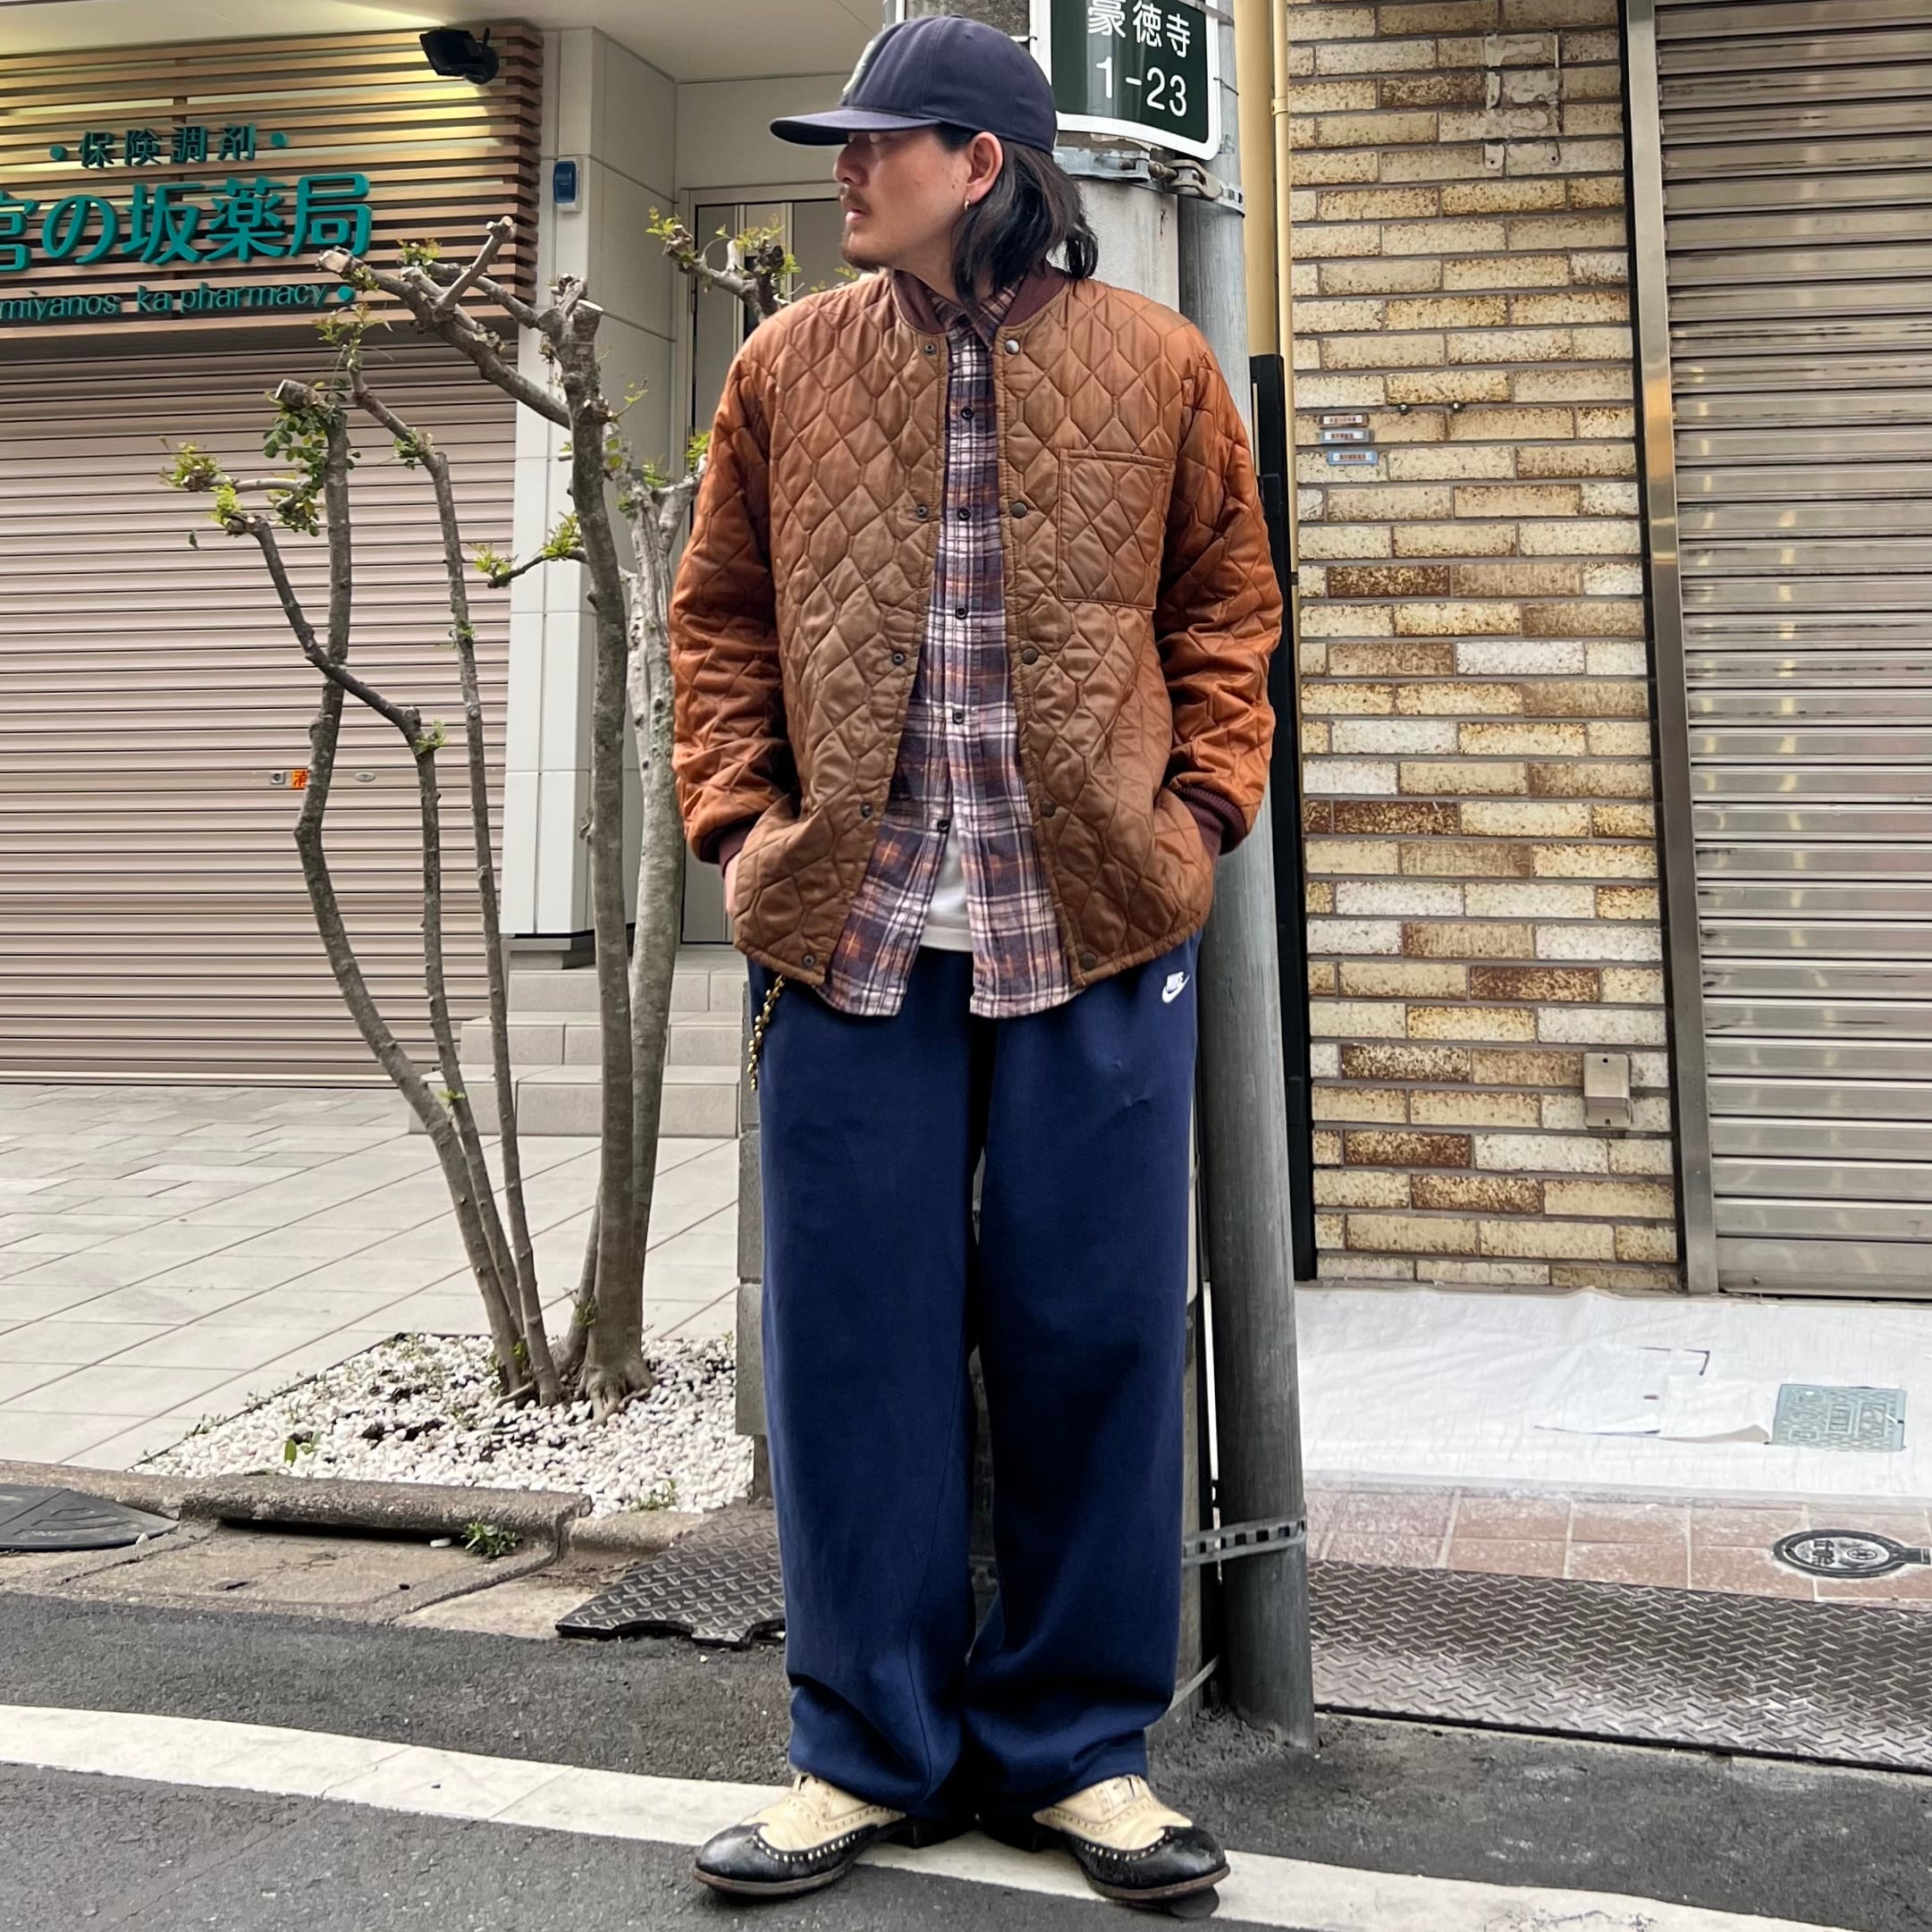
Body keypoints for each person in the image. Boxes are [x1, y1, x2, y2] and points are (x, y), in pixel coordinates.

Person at [670, 12, 1280, 1911]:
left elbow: (1228, 607)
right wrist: (738, 828)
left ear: (983, 165)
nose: (847, 170)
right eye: (840, 143)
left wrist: (1197, 814)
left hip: (1092, 923)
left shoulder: (1156, 362)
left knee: (1096, 1338)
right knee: (850, 1347)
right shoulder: (784, 364)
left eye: (880, 141)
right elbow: (716, 620)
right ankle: (863, 1747)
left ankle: (1075, 1749)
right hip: (849, 934)